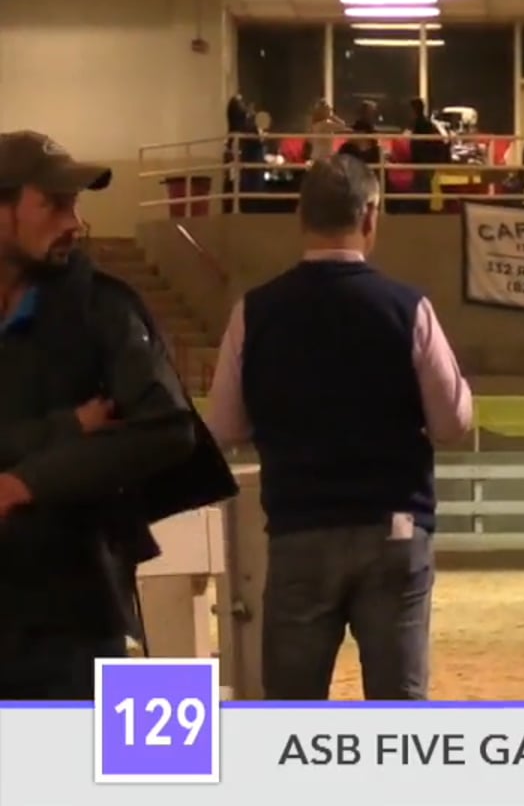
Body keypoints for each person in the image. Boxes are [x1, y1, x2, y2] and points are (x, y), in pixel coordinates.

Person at [204, 155, 474, 700]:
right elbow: (452, 424)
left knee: (292, 709)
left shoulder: (254, 312)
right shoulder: (408, 308)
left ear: (301, 218)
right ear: (370, 215)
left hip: (300, 528)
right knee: (396, 712)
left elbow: (225, 425)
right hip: (393, 528)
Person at [0, 130, 235, 698]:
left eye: (75, 204)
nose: (74, 222)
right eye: (54, 204)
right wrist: (71, 430)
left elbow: (166, 430)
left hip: (75, 611)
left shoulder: (104, 308)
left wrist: (24, 483)